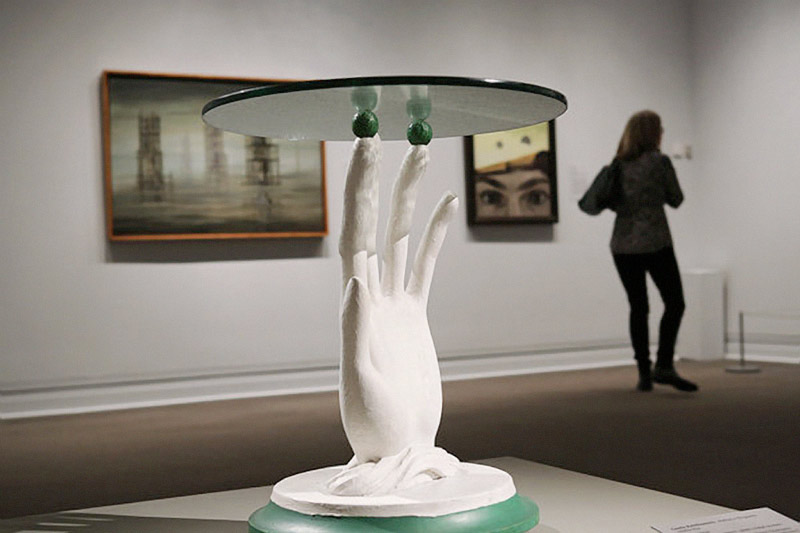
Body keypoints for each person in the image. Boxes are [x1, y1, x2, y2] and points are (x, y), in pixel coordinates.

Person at [580, 110, 698, 392]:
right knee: (675, 302)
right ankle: (664, 365)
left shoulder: (618, 164)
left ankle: (644, 373)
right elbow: (677, 199)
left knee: (638, 307)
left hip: (622, 245)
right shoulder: (660, 162)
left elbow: (597, 202)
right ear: (653, 133)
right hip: (656, 242)